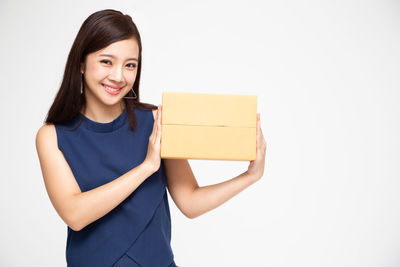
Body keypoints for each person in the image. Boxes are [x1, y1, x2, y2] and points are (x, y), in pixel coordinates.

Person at [35, 9, 267, 267]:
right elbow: (75, 214)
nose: (118, 76)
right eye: (106, 62)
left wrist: (249, 177)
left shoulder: (158, 121)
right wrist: (146, 168)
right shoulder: (52, 136)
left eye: (130, 65)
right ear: (81, 62)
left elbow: (190, 201)